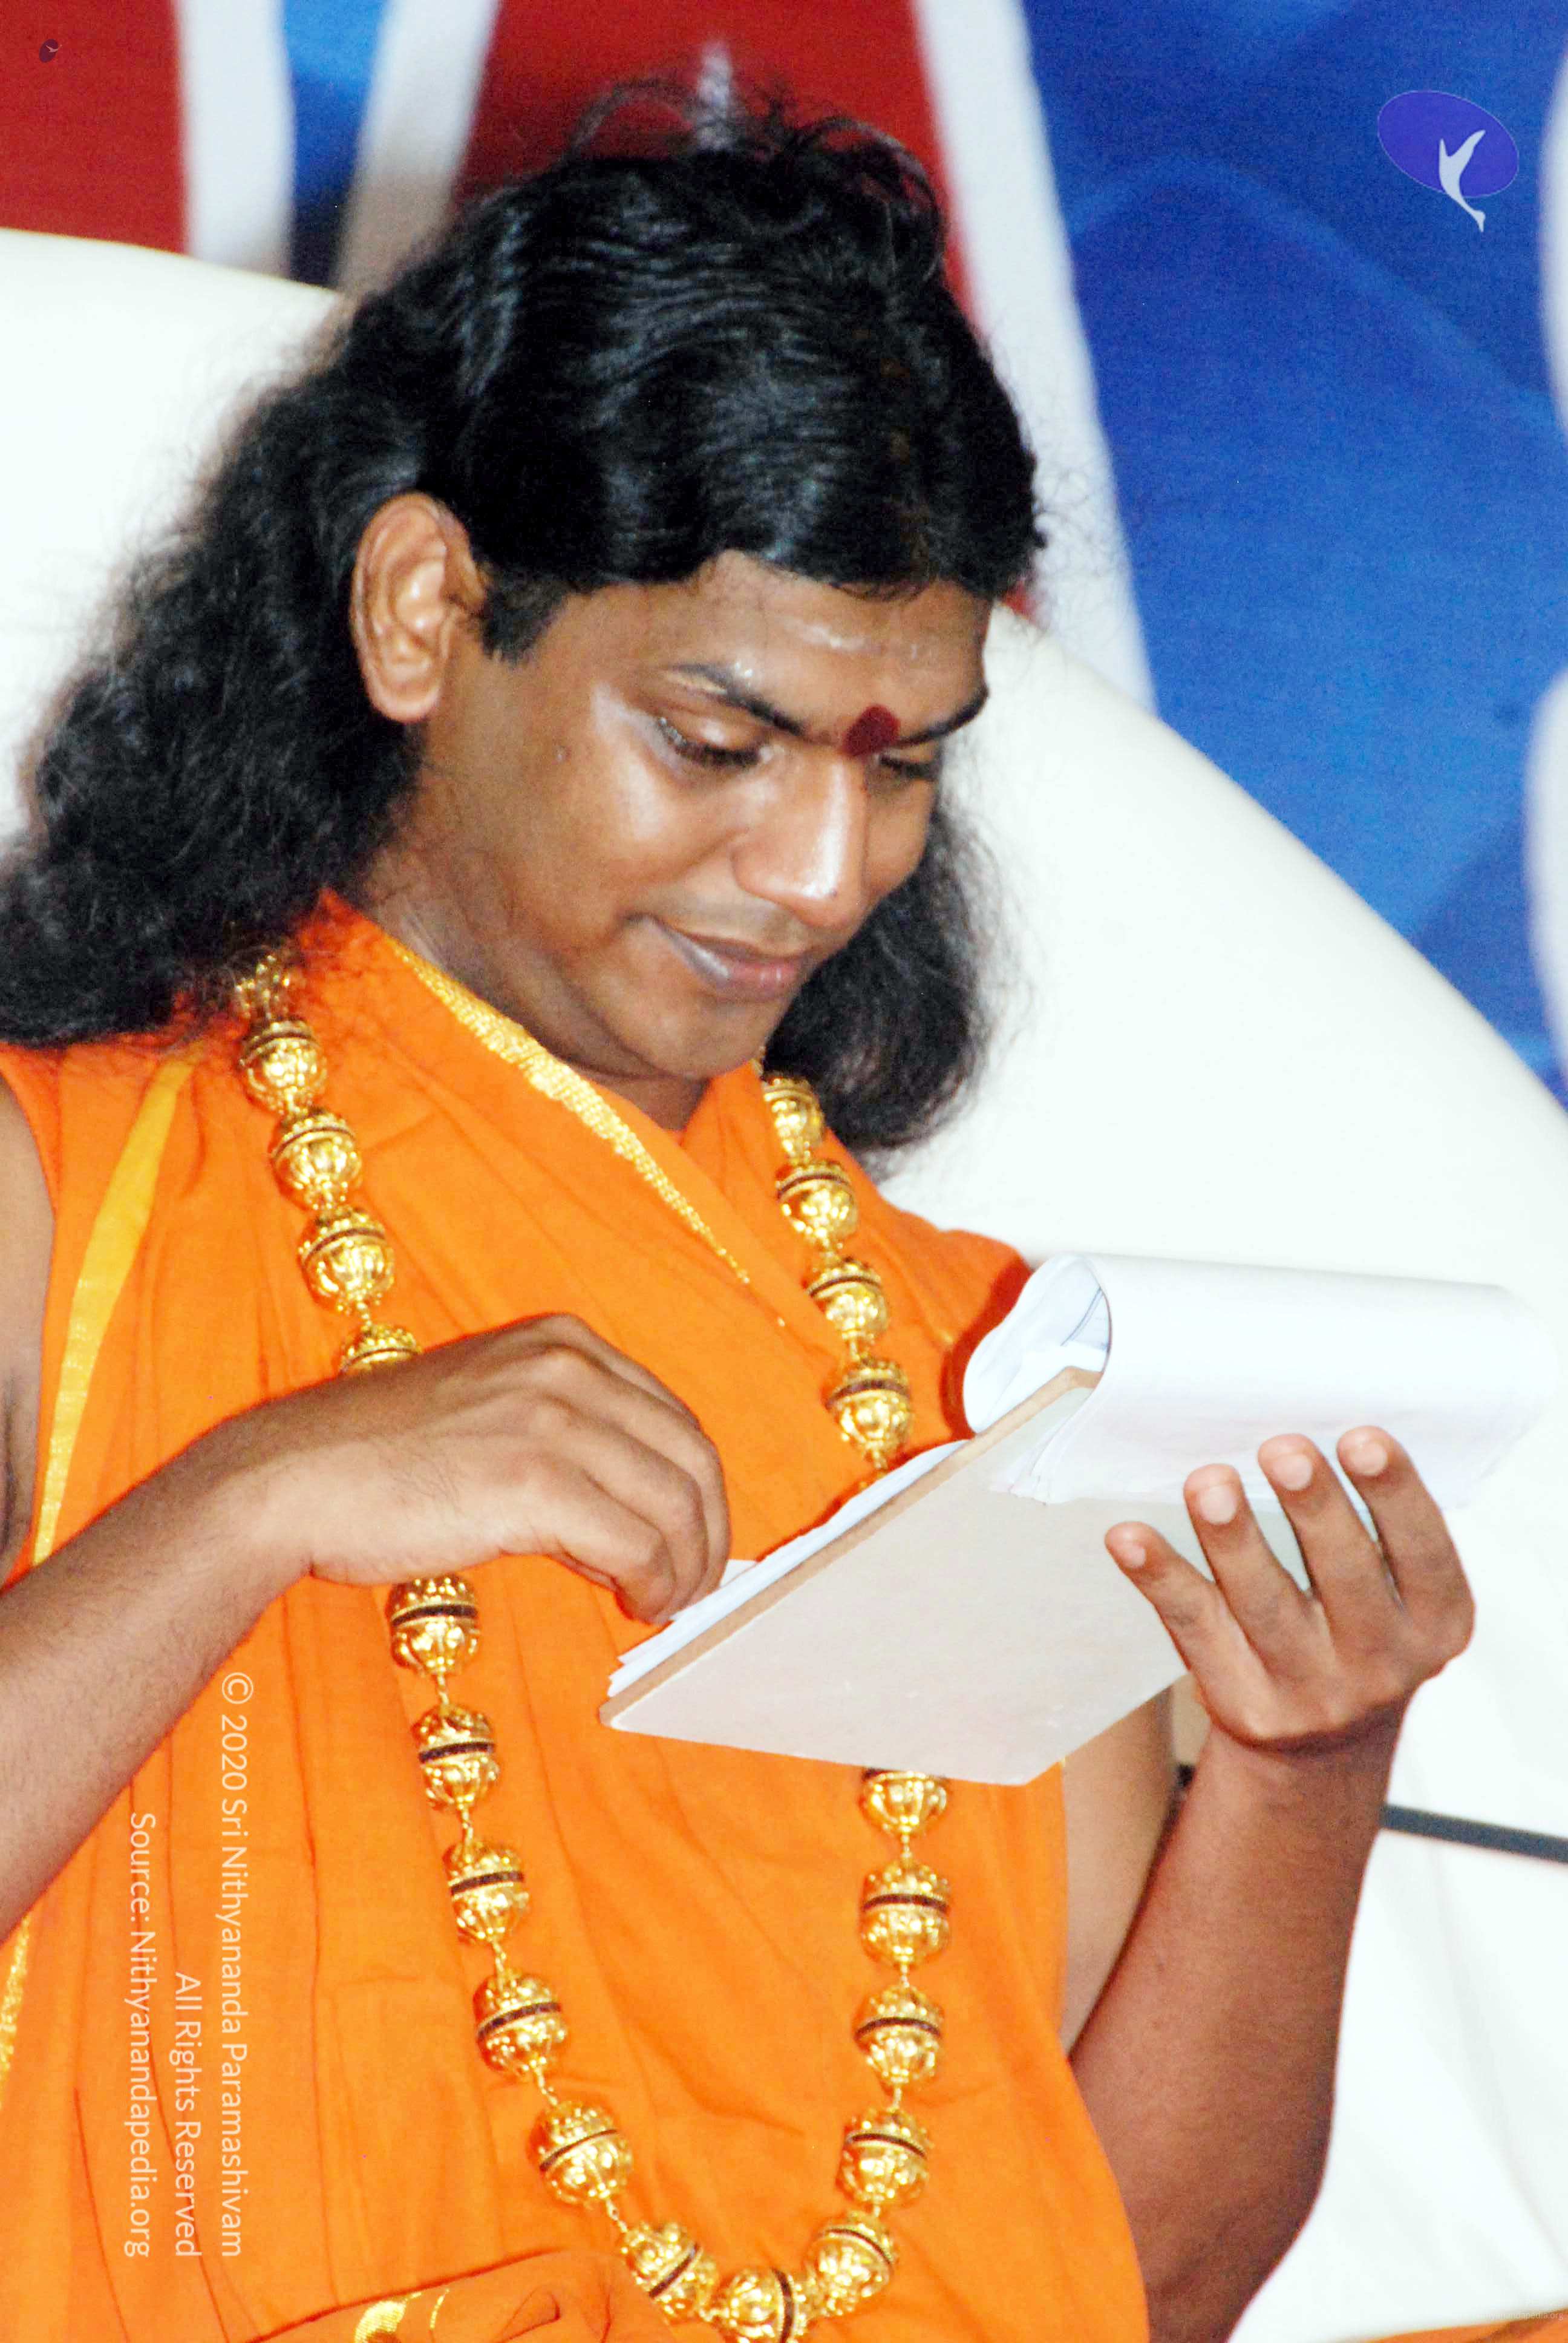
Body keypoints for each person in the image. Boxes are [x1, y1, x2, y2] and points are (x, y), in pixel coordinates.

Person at [0, 98, 1474, 2343]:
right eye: (718, 742)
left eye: (904, 765)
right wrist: (247, 1503)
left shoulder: (967, 1371)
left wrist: (1304, 1769)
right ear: (425, 613)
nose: (819, 873)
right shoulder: (64, 1201)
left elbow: (1127, 2286)